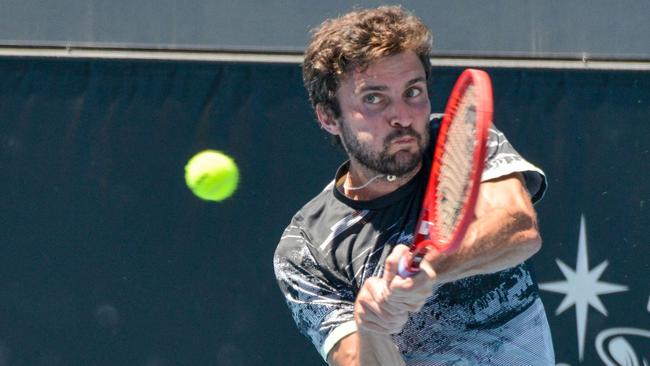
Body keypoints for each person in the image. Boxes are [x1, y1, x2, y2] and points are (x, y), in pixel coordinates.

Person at [273, 6, 555, 365]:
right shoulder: (305, 248)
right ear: (328, 117)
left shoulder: (457, 136)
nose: (403, 116)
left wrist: (432, 269)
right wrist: (372, 324)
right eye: (374, 98)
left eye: (413, 92)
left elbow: (519, 228)